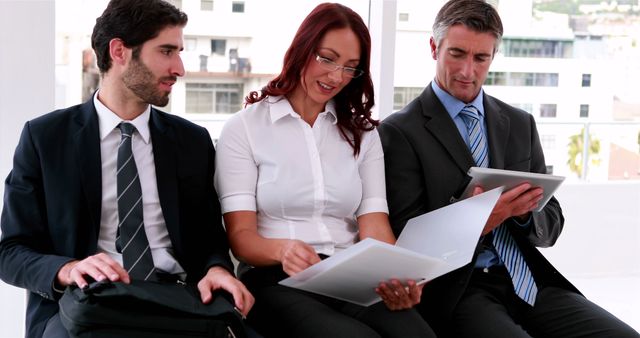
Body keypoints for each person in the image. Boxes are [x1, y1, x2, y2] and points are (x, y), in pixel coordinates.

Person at [378, 1, 640, 337]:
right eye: (457, 54)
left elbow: (552, 224)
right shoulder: (400, 132)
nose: (467, 71)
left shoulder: (519, 124)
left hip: (529, 281)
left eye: (480, 58)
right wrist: (481, 217)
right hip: (461, 289)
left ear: (492, 57)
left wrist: (523, 212)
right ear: (434, 47)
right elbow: (404, 241)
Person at [0, 1, 253, 337]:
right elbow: (11, 251)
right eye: (166, 51)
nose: (179, 68)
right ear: (119, 51)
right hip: (88, 305)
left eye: (179, 52)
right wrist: (68, 268)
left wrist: (217, 267)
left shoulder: (191, 141)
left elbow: (208, 238)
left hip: (178, 302)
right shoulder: (46, 138)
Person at [214, 3, 436, 338]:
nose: (336, 77)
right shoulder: (244, 128)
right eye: (327, 58)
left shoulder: (363, 134)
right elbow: (241, 238)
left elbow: (375, 225)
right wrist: (283, 249)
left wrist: (397, 275)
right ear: (302, 50)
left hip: (349, 275)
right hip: (277, 277)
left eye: (350, 67)